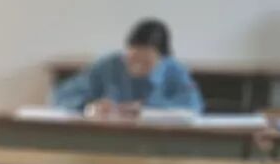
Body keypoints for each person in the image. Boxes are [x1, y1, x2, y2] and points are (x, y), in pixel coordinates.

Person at [52, 19, 204, 117]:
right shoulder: (108, 66)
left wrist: (146, 110)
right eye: (132, 60)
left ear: (163, 58)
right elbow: (62, 97)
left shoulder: (175, 71)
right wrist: (89, 106)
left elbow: (193, 107)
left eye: (146, 62)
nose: (136, 67)